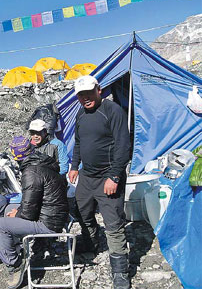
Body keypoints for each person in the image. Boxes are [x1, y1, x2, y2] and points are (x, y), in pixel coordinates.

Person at [68, 75, 131, 289]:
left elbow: (124, 147)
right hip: (87, 175)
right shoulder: (80, 113)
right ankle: (91, 243)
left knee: (113, 223)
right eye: (81, 95)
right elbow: (78, 142)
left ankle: (120, 271)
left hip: (108, 175)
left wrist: (114, 176)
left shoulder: (112, 111)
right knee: (82, 212)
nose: (85, 98)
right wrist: (75, 165)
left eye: (88, 92)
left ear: (99, 89)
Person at [0, 136, 69, 289]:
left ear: (16, 157)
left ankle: (15, 265)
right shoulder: (41, 163)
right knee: (8, 209)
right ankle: (17, 247)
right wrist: (18, 211)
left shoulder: (31, 171)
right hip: (54, 216)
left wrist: (18, 213)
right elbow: (32, 201)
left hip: (48, 224)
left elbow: (28, 212)